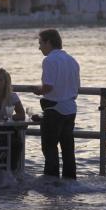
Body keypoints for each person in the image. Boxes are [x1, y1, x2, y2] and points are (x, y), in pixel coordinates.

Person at [33, 29, 80, 179]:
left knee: (49, 148)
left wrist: (38, 90)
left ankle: (51, 182)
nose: (39, 47)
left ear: (48, 42)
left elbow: (48, 87)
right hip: (70, 109)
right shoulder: (72, 60)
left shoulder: (49, 60)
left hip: (54, 110)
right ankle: (70, 182)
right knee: (68, 150)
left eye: (40, 43)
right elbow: (76, 88)